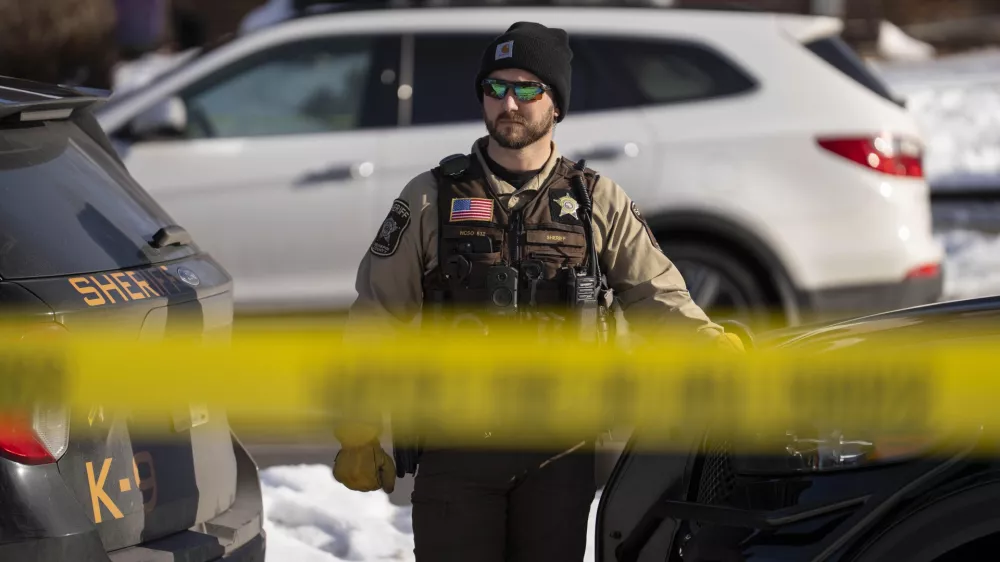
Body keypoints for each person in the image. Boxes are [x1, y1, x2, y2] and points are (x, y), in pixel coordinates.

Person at [332, 21, 744, 561]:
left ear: (556, 105)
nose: (509, 103)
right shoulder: (432, 195)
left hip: (561, 454)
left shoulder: (596, 198)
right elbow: (378, 313)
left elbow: (656, 295)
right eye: (495, 87)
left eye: (528, 89)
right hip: (455, 452)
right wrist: (357, 430)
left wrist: (711, 346)